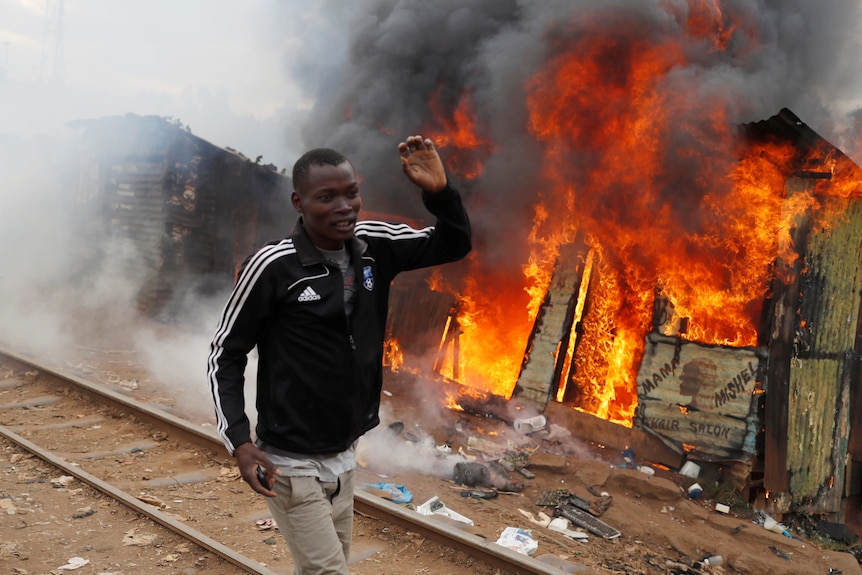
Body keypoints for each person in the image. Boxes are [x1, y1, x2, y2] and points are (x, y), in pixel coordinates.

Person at [206, 134, 471, 574]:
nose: (344, 206)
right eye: (326, 197)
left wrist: (440, 193)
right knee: (329, 572)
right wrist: (239, 441)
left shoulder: (374, 247)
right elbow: (225, 355)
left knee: (322, 568)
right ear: (299, 202)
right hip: (288, 459)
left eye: (351, 193)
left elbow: (453, 245)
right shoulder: (273, 266)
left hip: (345, 454)